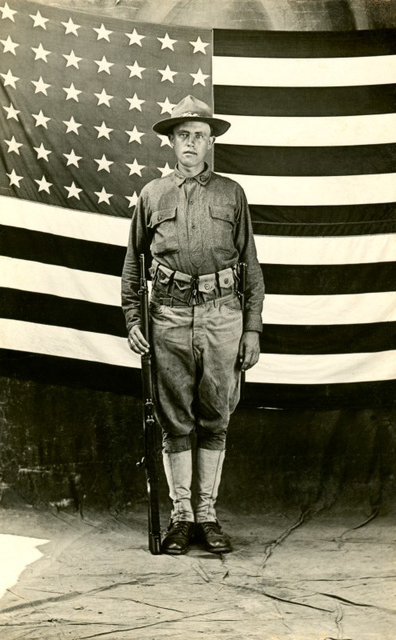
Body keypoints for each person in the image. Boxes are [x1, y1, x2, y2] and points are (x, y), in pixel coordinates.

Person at [121, 95, 264, 555]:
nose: (190, 143)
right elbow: (132, 265)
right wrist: (131, 319)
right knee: (175, 419)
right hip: (168, 316)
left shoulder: (232, 194)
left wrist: (254, 328)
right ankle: (181, 519)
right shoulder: (151, 195)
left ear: (210, 143)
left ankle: (207, 515)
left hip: (224, 316)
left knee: (216, 417)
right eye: (182, 135)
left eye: (199, 135)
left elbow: (251, 265)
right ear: (170, 142)